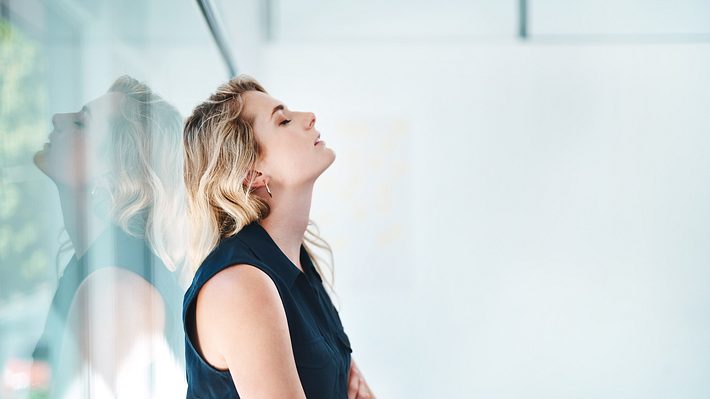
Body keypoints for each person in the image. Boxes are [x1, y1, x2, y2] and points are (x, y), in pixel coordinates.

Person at [182, 74, 376, 398]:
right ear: (252, 173)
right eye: (283, 120)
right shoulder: (241, 286)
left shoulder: (297, 261)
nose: (309, 117)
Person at [30, 75, 187, 398]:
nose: (58, 119)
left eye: (81, 124)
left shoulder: (115, 289)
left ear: (113, 170)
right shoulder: (101, 265)